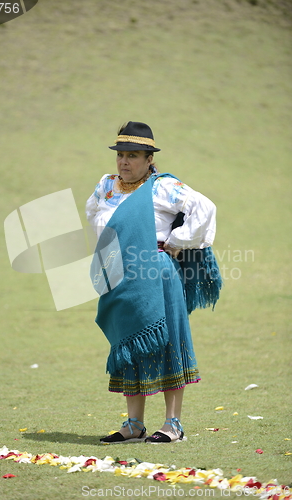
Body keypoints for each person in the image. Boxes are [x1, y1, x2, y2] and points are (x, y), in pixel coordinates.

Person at [86, 121, 220, 444]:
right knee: (129, 346)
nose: (124, 162)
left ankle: (173, 425)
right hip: (121, 277)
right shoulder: (105, 187)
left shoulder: (163, 187)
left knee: (169, 341)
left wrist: (178, 240)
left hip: (157, 272)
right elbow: (94, 216)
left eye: (133, 155)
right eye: (121, 155)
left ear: (149, 160)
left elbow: (204, 208)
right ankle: (134, 424)